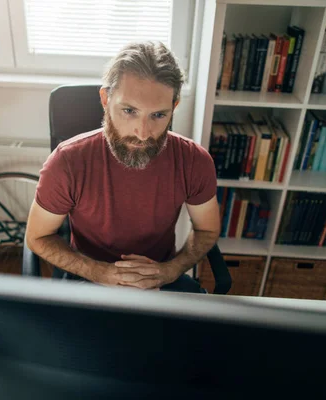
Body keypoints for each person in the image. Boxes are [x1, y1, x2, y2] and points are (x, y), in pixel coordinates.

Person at [26, 41, 220, 292]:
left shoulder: (194, 161)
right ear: (106, 99)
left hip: (160, 275)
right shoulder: (66, 162)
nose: (142, 133)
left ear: (174, 107)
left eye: (158, 115)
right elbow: (37, 237)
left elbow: (207, 229)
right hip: (88, 275)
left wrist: (170, 270)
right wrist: (99, 272)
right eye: (129, 111)